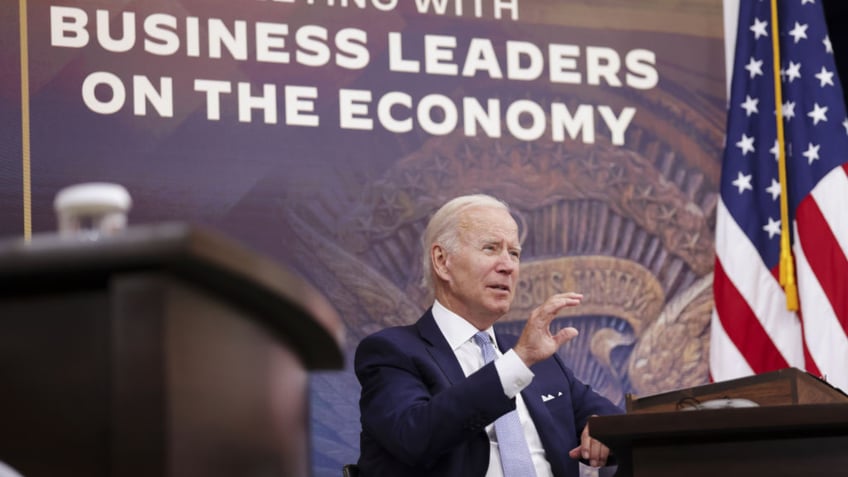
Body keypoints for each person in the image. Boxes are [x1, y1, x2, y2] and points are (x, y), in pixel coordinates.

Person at [354, 193, 623, 477]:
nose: (508, 265)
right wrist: (516, 363)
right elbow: (414, 436)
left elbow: (617, 423)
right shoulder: (392, 352)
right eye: (491, 248)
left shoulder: (541, 361)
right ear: (442, 261)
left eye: (514, 253)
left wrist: (599, 427)